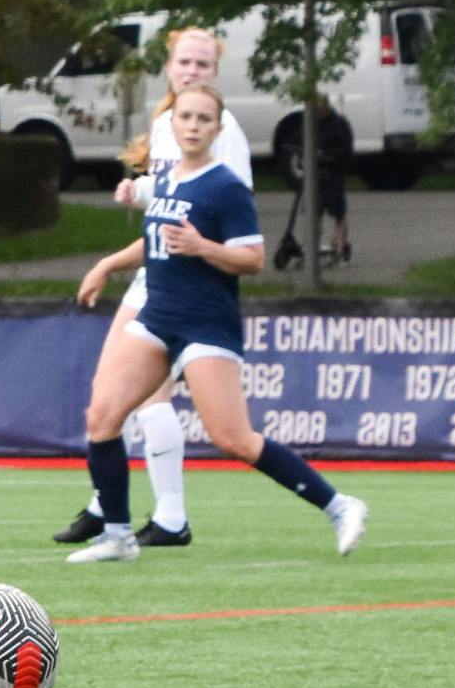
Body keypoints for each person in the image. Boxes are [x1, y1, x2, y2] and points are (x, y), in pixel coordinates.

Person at [64, 79, 367, 563]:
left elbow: (254, 258)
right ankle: (118, 536)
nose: (193, 126)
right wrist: (106, 265)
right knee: (102, 416)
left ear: (217, 127)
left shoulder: (225, 185)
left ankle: (339, 505)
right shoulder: (166, 181)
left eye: (204, 119)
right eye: (185, 117)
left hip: (205, 324)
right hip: (158, 316)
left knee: (234, 439)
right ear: (172, 122)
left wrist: (204, 248)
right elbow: (158, 243)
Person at [54, 27, 252, 551]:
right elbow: (172, 193)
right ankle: (118, 505)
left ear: (215, 74)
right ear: (168, 67)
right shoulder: (169, 122)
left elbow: (224, 207)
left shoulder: (220, 128)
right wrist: (138, 191)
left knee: (140, 402)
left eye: (203, 65)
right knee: (109, 399)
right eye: (185, 62)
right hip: (156, 270)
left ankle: (160, 515)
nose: (192, 71)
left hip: (186, 282)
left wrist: (195, 250)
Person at [313, 94, 353, 263]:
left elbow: (345, 151)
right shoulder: (312, 124)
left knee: (338, 212)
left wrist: (328, 157)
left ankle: (341, 247)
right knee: (315, 211)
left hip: (334, 173)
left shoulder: (339, 124)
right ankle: (315, 246)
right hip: (317, 174)